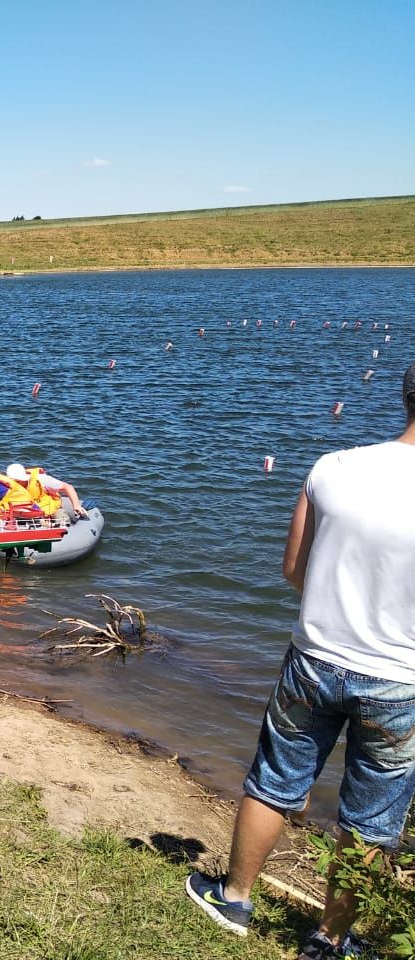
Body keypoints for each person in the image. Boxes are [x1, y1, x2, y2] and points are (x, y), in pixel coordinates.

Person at [185, 363, 415, 960]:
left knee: (276, 781)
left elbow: (294, 570)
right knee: (371, 818)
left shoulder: (334, 468)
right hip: (402, 682)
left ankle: (233, 898)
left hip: (315, 658)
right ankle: (330, 940)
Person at [5, 463, 87, 519]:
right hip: (26, 511)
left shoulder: (42, 479)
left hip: (49, 508)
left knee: (62, 518)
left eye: (18, 480)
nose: (16, 482)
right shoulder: (8, 485)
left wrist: (76, 506)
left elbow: (68, 487)